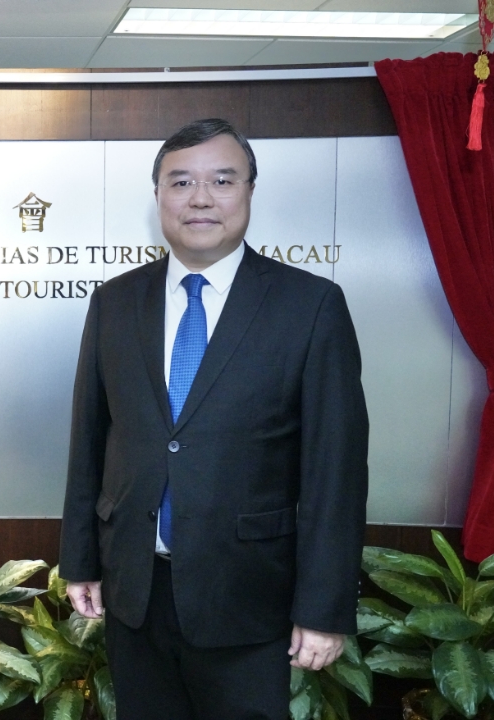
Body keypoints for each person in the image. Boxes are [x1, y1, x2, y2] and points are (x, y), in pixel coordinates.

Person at [59, 118, 369, 719]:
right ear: (158, 196)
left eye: (222, 181)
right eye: (181, 182)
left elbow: (335, 471)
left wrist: (323, 608)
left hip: (249, 596)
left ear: (249, 190)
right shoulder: (115, 302)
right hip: (135, 592)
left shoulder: (310, 306)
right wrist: (81, 561)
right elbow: (90, 441)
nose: (200, 198)